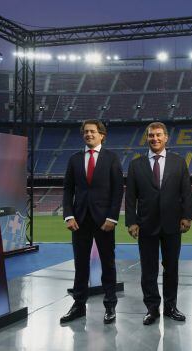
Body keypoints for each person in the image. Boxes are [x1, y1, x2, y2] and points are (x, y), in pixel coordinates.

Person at [125, 122, 192, 325]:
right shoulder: (136, 164)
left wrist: (187, 216)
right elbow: (130, 197)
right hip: (146, 224)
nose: (154, 139)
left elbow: (186, 192)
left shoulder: (178, 162)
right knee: (148, 270)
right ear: (147, 138)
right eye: (151, 136)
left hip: (173, 224)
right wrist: (131, 221)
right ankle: (152, 308)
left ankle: (171, 307)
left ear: (166, 138)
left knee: (171, 268)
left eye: (158, 135)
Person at [61, 119, 124, 324]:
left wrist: (112, 218)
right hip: (79, 221)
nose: (88, 134)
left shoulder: (112, 158)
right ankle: (78, 305)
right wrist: (68, 216)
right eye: (85, 132)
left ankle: (110, 305)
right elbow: (68, 189)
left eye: (92, 131)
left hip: (104, 221)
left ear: (102, 135)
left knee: (108, 264)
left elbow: (117, 190)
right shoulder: (74, 159)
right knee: (80, 264)